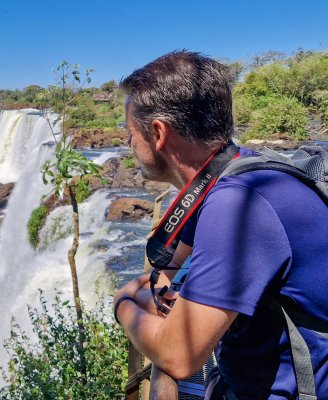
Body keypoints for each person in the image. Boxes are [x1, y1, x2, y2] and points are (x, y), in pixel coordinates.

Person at [113, 50, 328, 399]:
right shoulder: (229, 171)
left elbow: (180, 356)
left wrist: (122, 304)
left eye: (130, 132)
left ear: (158, 133)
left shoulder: (239, 204)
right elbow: (162, 273)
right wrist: (157, 292)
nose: (128, 143)